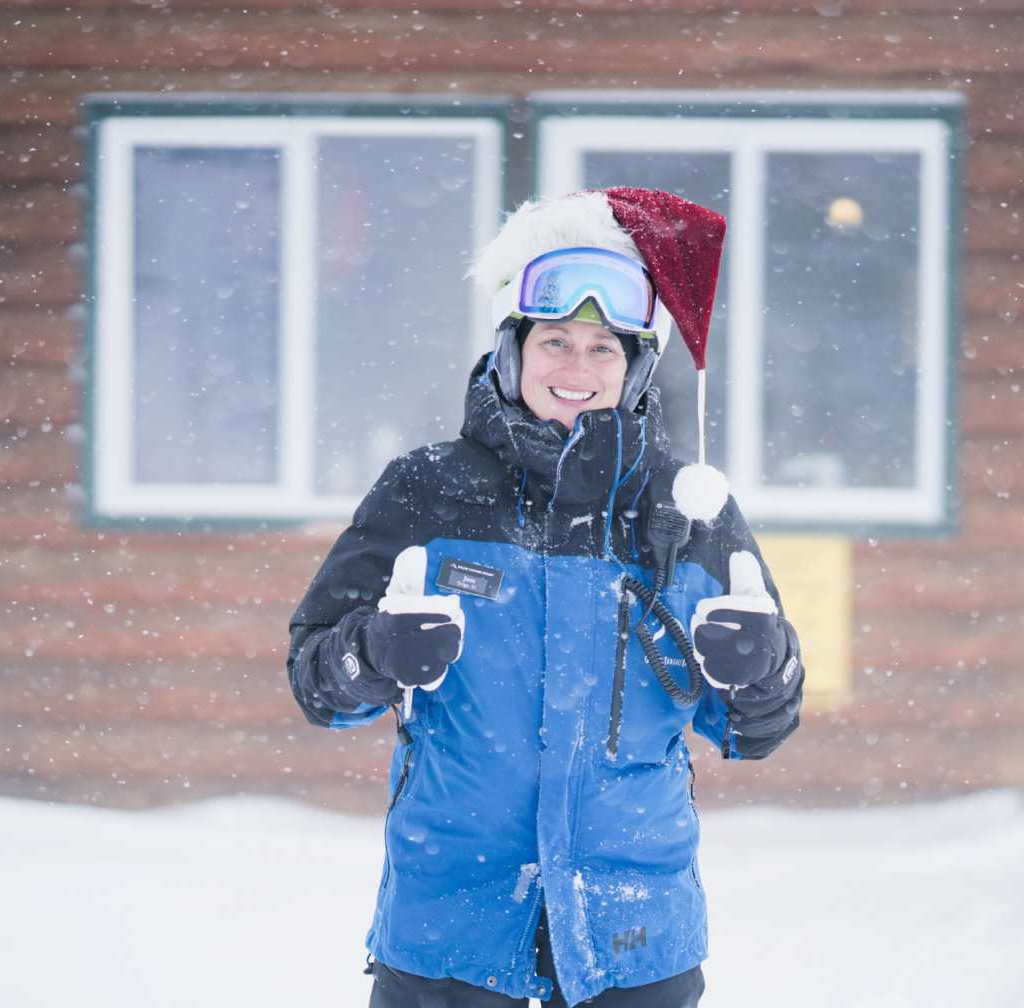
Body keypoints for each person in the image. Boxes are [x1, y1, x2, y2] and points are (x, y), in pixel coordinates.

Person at [287, 188, 804, 1008]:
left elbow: (756, 728)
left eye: (603, 347)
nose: (576, 367)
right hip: (448, 934)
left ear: (635, 365)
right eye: (555, 340)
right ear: (511, 349)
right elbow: (318, 680)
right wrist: (374, 654)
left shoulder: (689, 507)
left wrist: (762, 668)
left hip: (634, 941)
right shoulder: (427, 492)